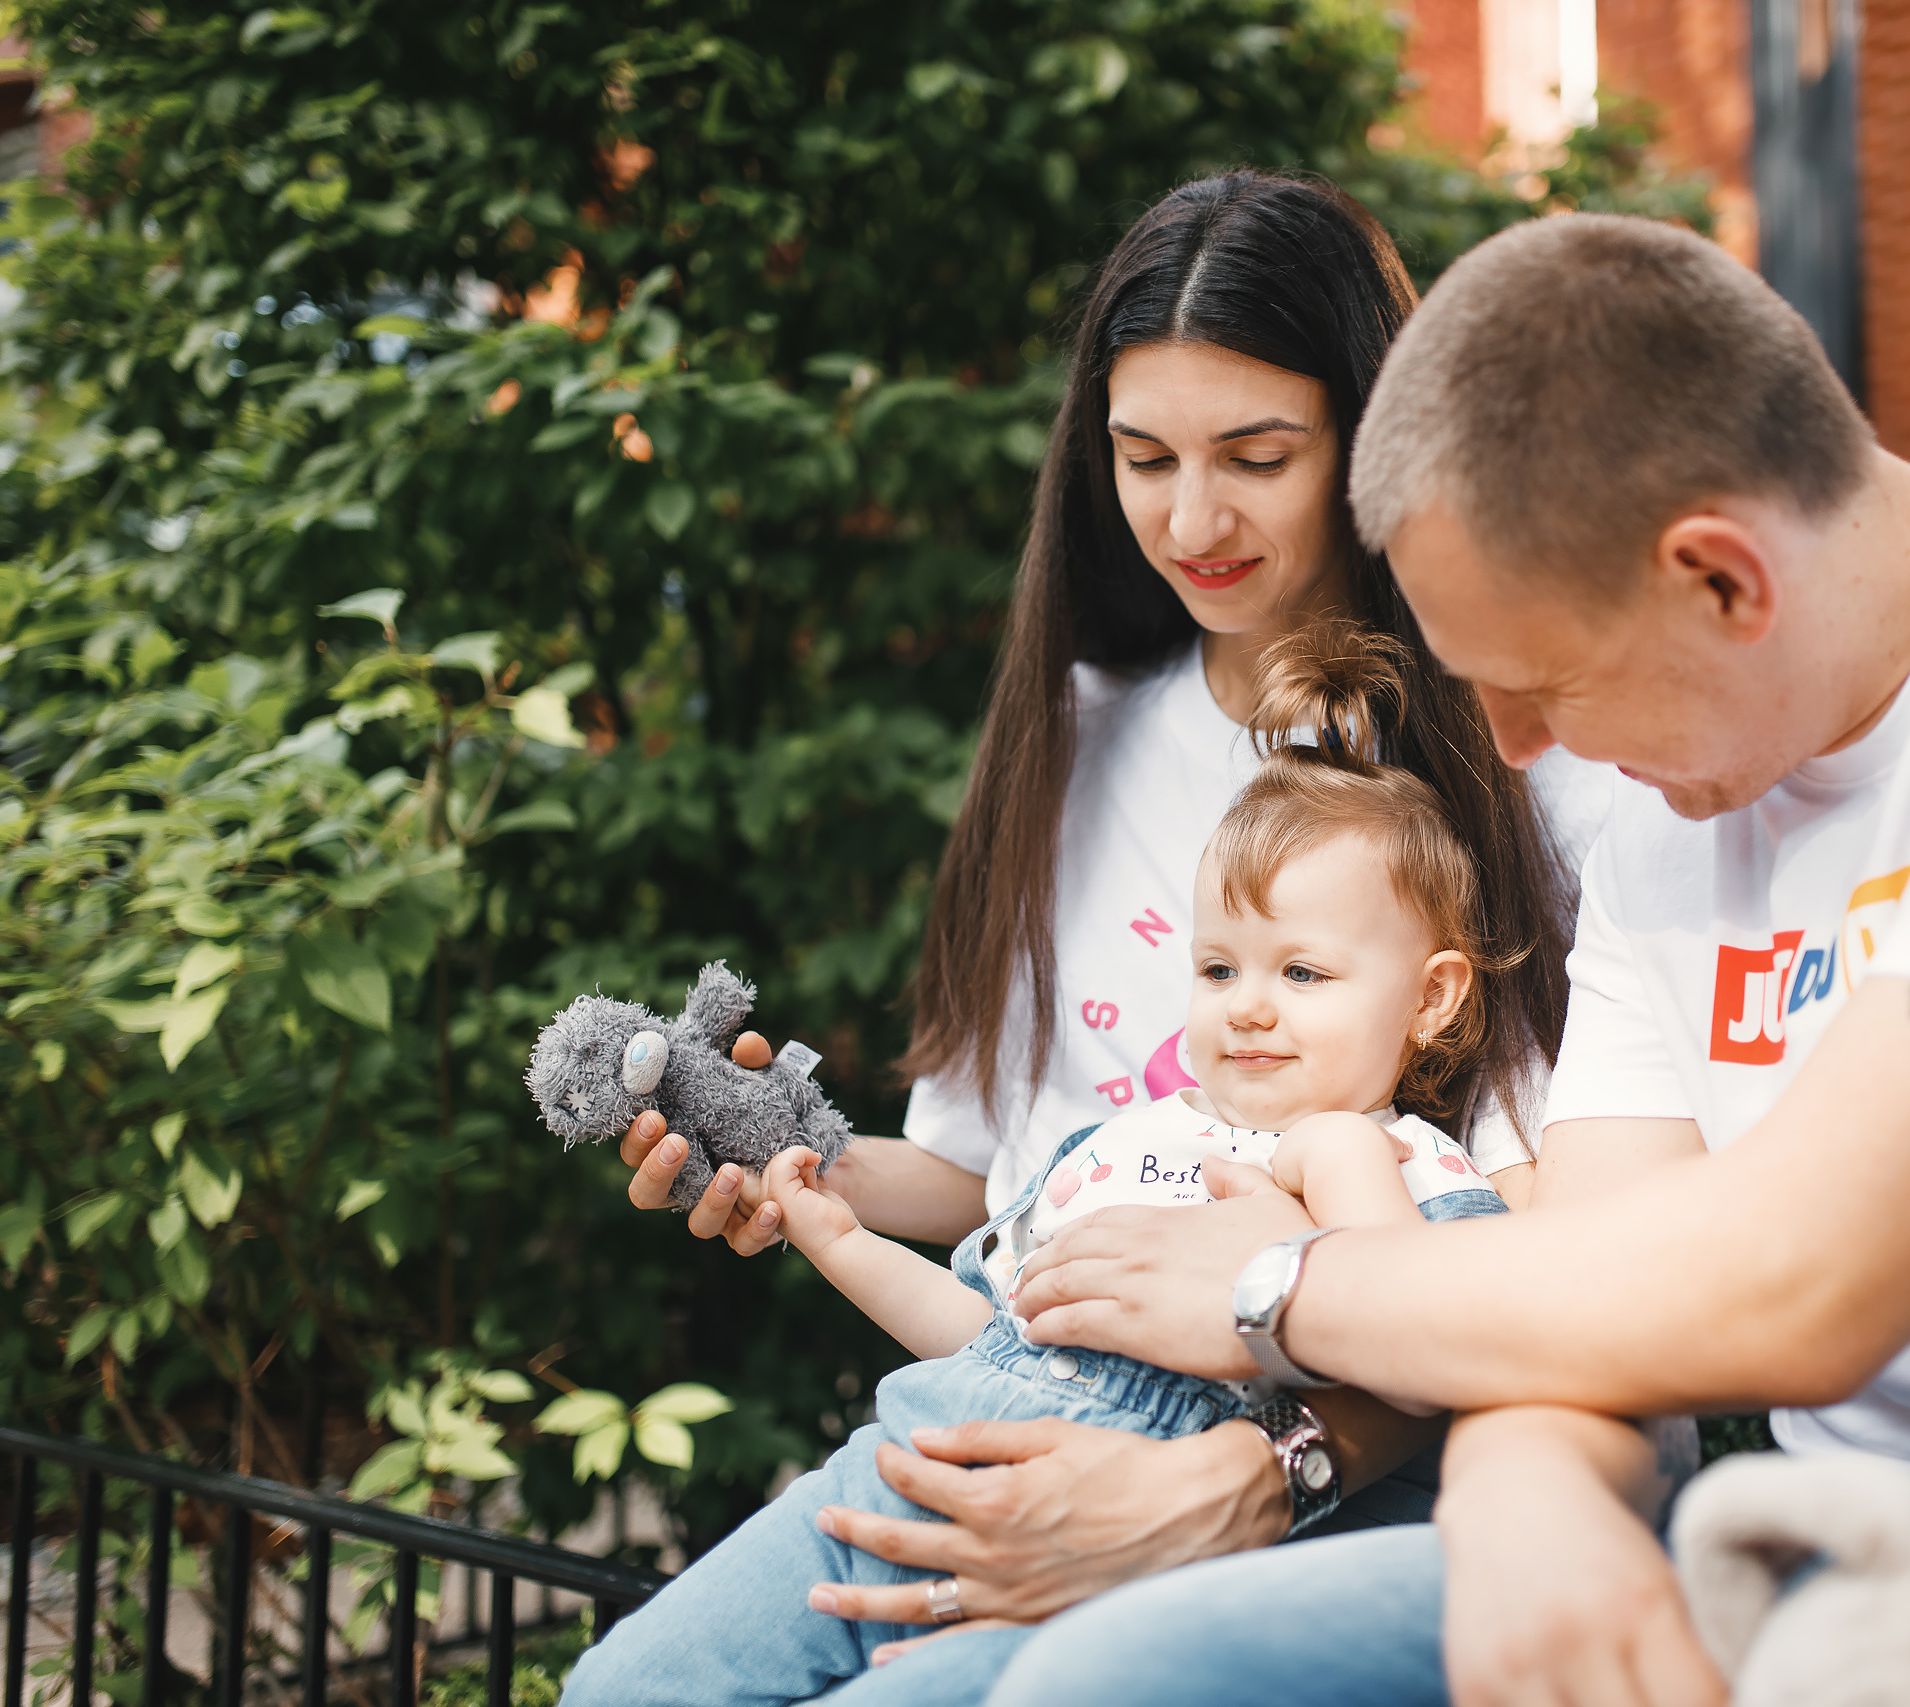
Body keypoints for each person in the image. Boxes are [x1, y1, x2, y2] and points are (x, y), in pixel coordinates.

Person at [981, 216, 1910, 1707]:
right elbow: (1574, 1294)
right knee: (1116, 1676)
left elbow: (1803, 1276)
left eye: (1543, 685)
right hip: (1840, 1592)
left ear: (1720, 574)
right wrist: (1533, 1503)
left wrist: (1276, 1280)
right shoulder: (1674, 835)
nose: (1512, 750)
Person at [573, 173, 1607, 1703]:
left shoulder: (1520, 751)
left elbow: (1544, 1250)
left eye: (1259, 456)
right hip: (985, 1397)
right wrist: (780, 1159)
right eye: (1144, 457)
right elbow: (989, 1170)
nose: (1194, 518)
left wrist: (1272, 1464)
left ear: (1371, 441)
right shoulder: (1077, 733)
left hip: (1275, 1462)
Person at [575, 635, 1529, 1698]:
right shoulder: (1120, 1146)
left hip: (1098, 1545)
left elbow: (1419, 1332)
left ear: (1433, 996)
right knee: (621, 1687)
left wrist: (1337, 1152)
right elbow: (997, 1340)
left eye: (1303, 970)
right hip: (905, 1468)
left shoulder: (1399, 1162)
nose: (1249, 1003)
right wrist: (836, 1238)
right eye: (1219, 967)